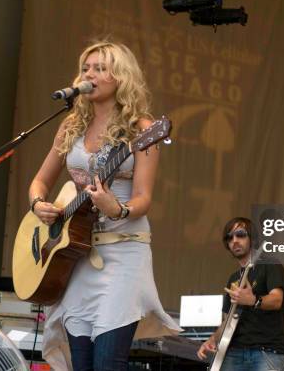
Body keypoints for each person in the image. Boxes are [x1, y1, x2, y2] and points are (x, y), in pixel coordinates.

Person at [28, 41, 180, 371]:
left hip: (123, 253)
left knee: (108, 362)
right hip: (77, 256)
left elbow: (143, 197)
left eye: (100, 68)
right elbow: (39, 182)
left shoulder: (142, 129)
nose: (90, 74)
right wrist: (38, 203)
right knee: (80, 364)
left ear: (120, 77)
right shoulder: (70, 126)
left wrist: (118, 209)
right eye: (86, 68)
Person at [197, 217, 284, 371]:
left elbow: (276, 299)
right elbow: (228, 320)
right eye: (230, 237)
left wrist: (253, 300)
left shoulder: (270, 265)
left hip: (266, 351)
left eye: (240, 234)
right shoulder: (233, 278)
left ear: (252, 238)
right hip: (233, 352)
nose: (235, 240)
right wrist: (212, 339)